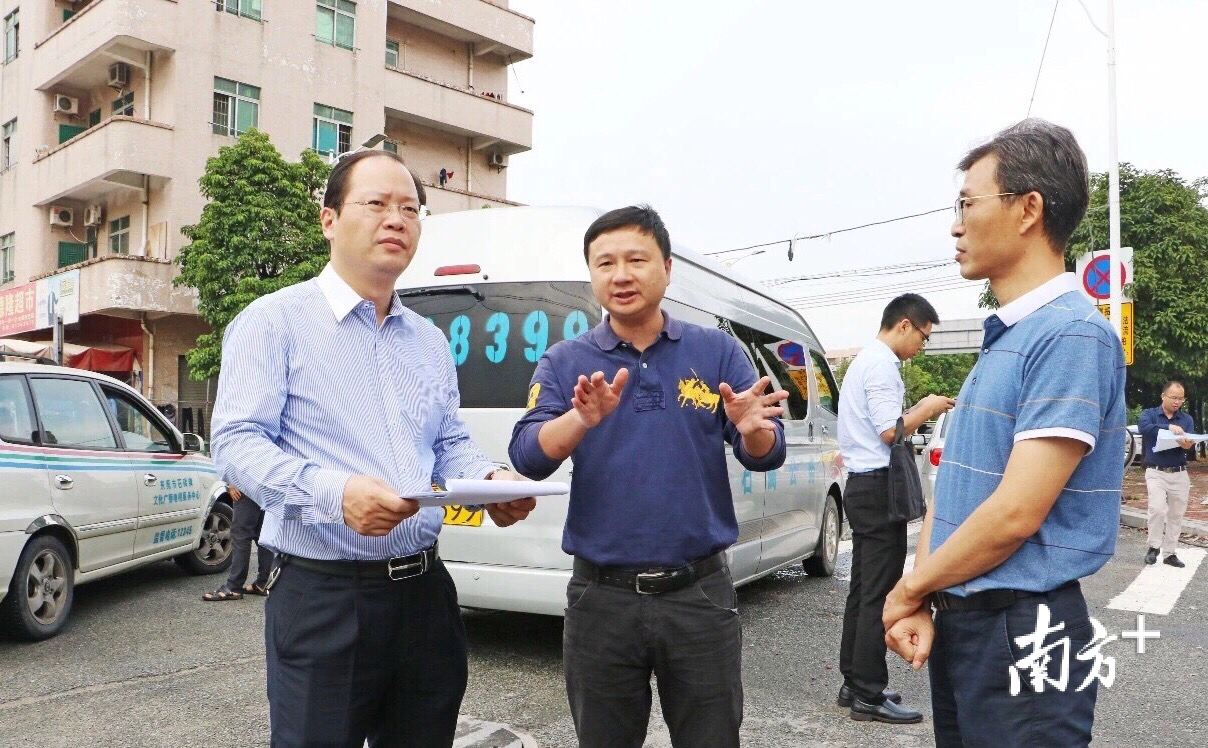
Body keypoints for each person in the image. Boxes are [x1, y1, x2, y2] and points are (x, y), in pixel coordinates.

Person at [210, 149, 536, 748]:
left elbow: (447, 442)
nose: (396, 219)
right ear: (329, 219)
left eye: (410, 208)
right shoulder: (273, 321)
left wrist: (489, 482)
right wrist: (335, 494)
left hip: (425, 595)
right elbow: (235, 443)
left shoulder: (429, 341)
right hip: (325, 596)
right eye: (376, 204)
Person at [882, 119, 1126, 748]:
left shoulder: (1069, 333)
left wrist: (910, 588)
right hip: (970, 624)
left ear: (1028, 210)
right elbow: (955, 487)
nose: (956, 224)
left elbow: (1017, 513)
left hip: (1024, 628)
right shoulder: (1009, 338)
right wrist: (925, 594)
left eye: (968, 203)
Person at [508, 205, 788, 748]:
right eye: (605, 262)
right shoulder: (567, 360)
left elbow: (765, 451)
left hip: (699, 595)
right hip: (600, 599)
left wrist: (750, 429)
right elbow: (527, 455)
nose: (621, 275)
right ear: (591, 275)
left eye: (636, 259)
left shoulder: (716, 350)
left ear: (666, 268)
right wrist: (581, 418)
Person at [834, 294, 955, 724]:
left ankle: (854, 681)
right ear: (905, 325)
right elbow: (891, 431)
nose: (921, 346)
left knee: (862, 589)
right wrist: (928, 407)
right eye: (923, 336)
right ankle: (869, 692)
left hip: (862, 485)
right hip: (877, 487)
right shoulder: (882, 363)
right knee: (878, 593)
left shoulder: (864, 362)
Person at [1138, 380, 1194, 567]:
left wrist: (1187, 445)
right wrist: (1167, 427)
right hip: (1156, 472)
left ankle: (1169, 553)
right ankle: (1153, 547)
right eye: (1173, 397)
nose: (1177, 402)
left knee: (1176, 514)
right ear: (1163, 396)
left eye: (1181, 398)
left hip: (1179, 473)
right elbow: (1144, 428)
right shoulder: (1150, 415)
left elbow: (1188, 443)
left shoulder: (1186, 419)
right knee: (1157, 509)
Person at [201, 485, 273, 601]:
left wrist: (232, 483)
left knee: (241, 535)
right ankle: (263, 582)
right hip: (267, 485)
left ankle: (234, 586)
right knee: (262, 535)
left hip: (247, 484)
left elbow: (235, 465)